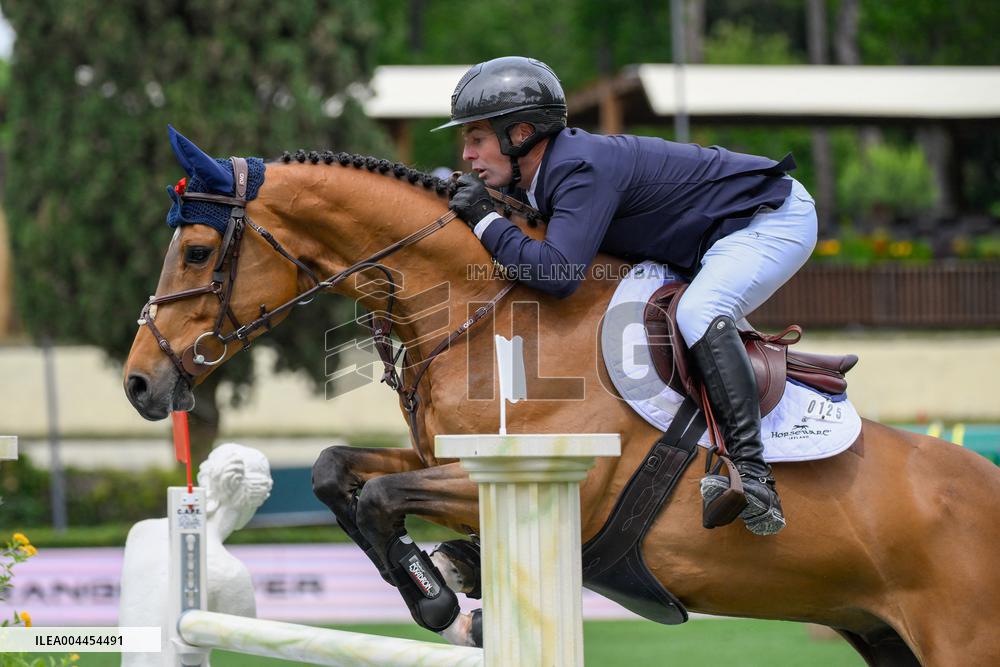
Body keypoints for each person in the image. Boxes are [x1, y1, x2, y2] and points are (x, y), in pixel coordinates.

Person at [438, 56, 818, 536]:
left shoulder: (579, 168)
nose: (467, 156)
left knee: (701, 312)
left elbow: (556, 274)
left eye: (475, 140)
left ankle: (754, 473)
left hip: (772, 218)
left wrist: (486, 220)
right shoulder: (541, 177)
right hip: (704, 238)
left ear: (520, 135)